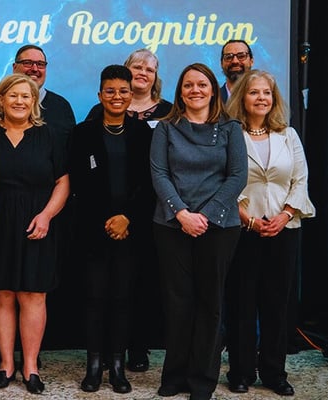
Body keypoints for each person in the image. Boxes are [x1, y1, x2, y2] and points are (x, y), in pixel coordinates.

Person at [0, 43, 76, 372]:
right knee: (1, 293)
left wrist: (46, 215)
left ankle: (30, 366)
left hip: (38, 223)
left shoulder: (49, 136)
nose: (20, 101)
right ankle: (5, 363)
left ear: (34, 102)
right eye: (13, 95)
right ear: (0, 100)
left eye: (26, 97)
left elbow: (63, 181)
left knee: (33, 294)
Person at [150, 63, 247, 400]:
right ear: (180, 91)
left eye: (202, 84)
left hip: (219, 226)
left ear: (211, 89)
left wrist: (203, 215)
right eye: (188, 85)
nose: (195, 90)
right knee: (178, 303)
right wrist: (182, 214)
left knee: (210, 304)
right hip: (171, 225)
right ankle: (174, 377)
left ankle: (202, 382)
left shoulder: (231, 128)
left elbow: (237, 177)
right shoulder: (165, 128)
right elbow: (160, 175)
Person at [224, 69, 315, 397]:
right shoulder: (230, 134)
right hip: (241, 229)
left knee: (277, 305)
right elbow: (224, 180)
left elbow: (300, 179)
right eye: (254, 92)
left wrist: (286, 214)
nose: (261, 97)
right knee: (241, 304)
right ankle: (241, 371)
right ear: (242, 98)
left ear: (273, 99)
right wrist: (246, 218)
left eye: (267, 93)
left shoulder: (288, 135)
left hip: (284, 229)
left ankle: (275, 373)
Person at [84, 48, 172, 373]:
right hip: (101, 222)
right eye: (137, 66)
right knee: (101, 290)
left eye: (150, 68)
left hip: (148, 216)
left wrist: (130, 216)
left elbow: (156, 174)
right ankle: (103, 354)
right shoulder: (97, 115)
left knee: (140, 285)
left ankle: (136, 348)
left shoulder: (168, 112)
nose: (143, 72)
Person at [70, 65, 153, 394]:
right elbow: (79, 183)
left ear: (131, 95)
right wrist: (108, 220)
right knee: (94, 297)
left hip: (132, 232)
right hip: (93, 231)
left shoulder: (145, 134)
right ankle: (94, 366)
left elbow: (150, 184)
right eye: (110, 91)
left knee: (122, 298)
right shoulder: (83, 133)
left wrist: (126, 218)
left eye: (123, 91)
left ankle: (117, 367)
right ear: (100, 95)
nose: (116, 97)